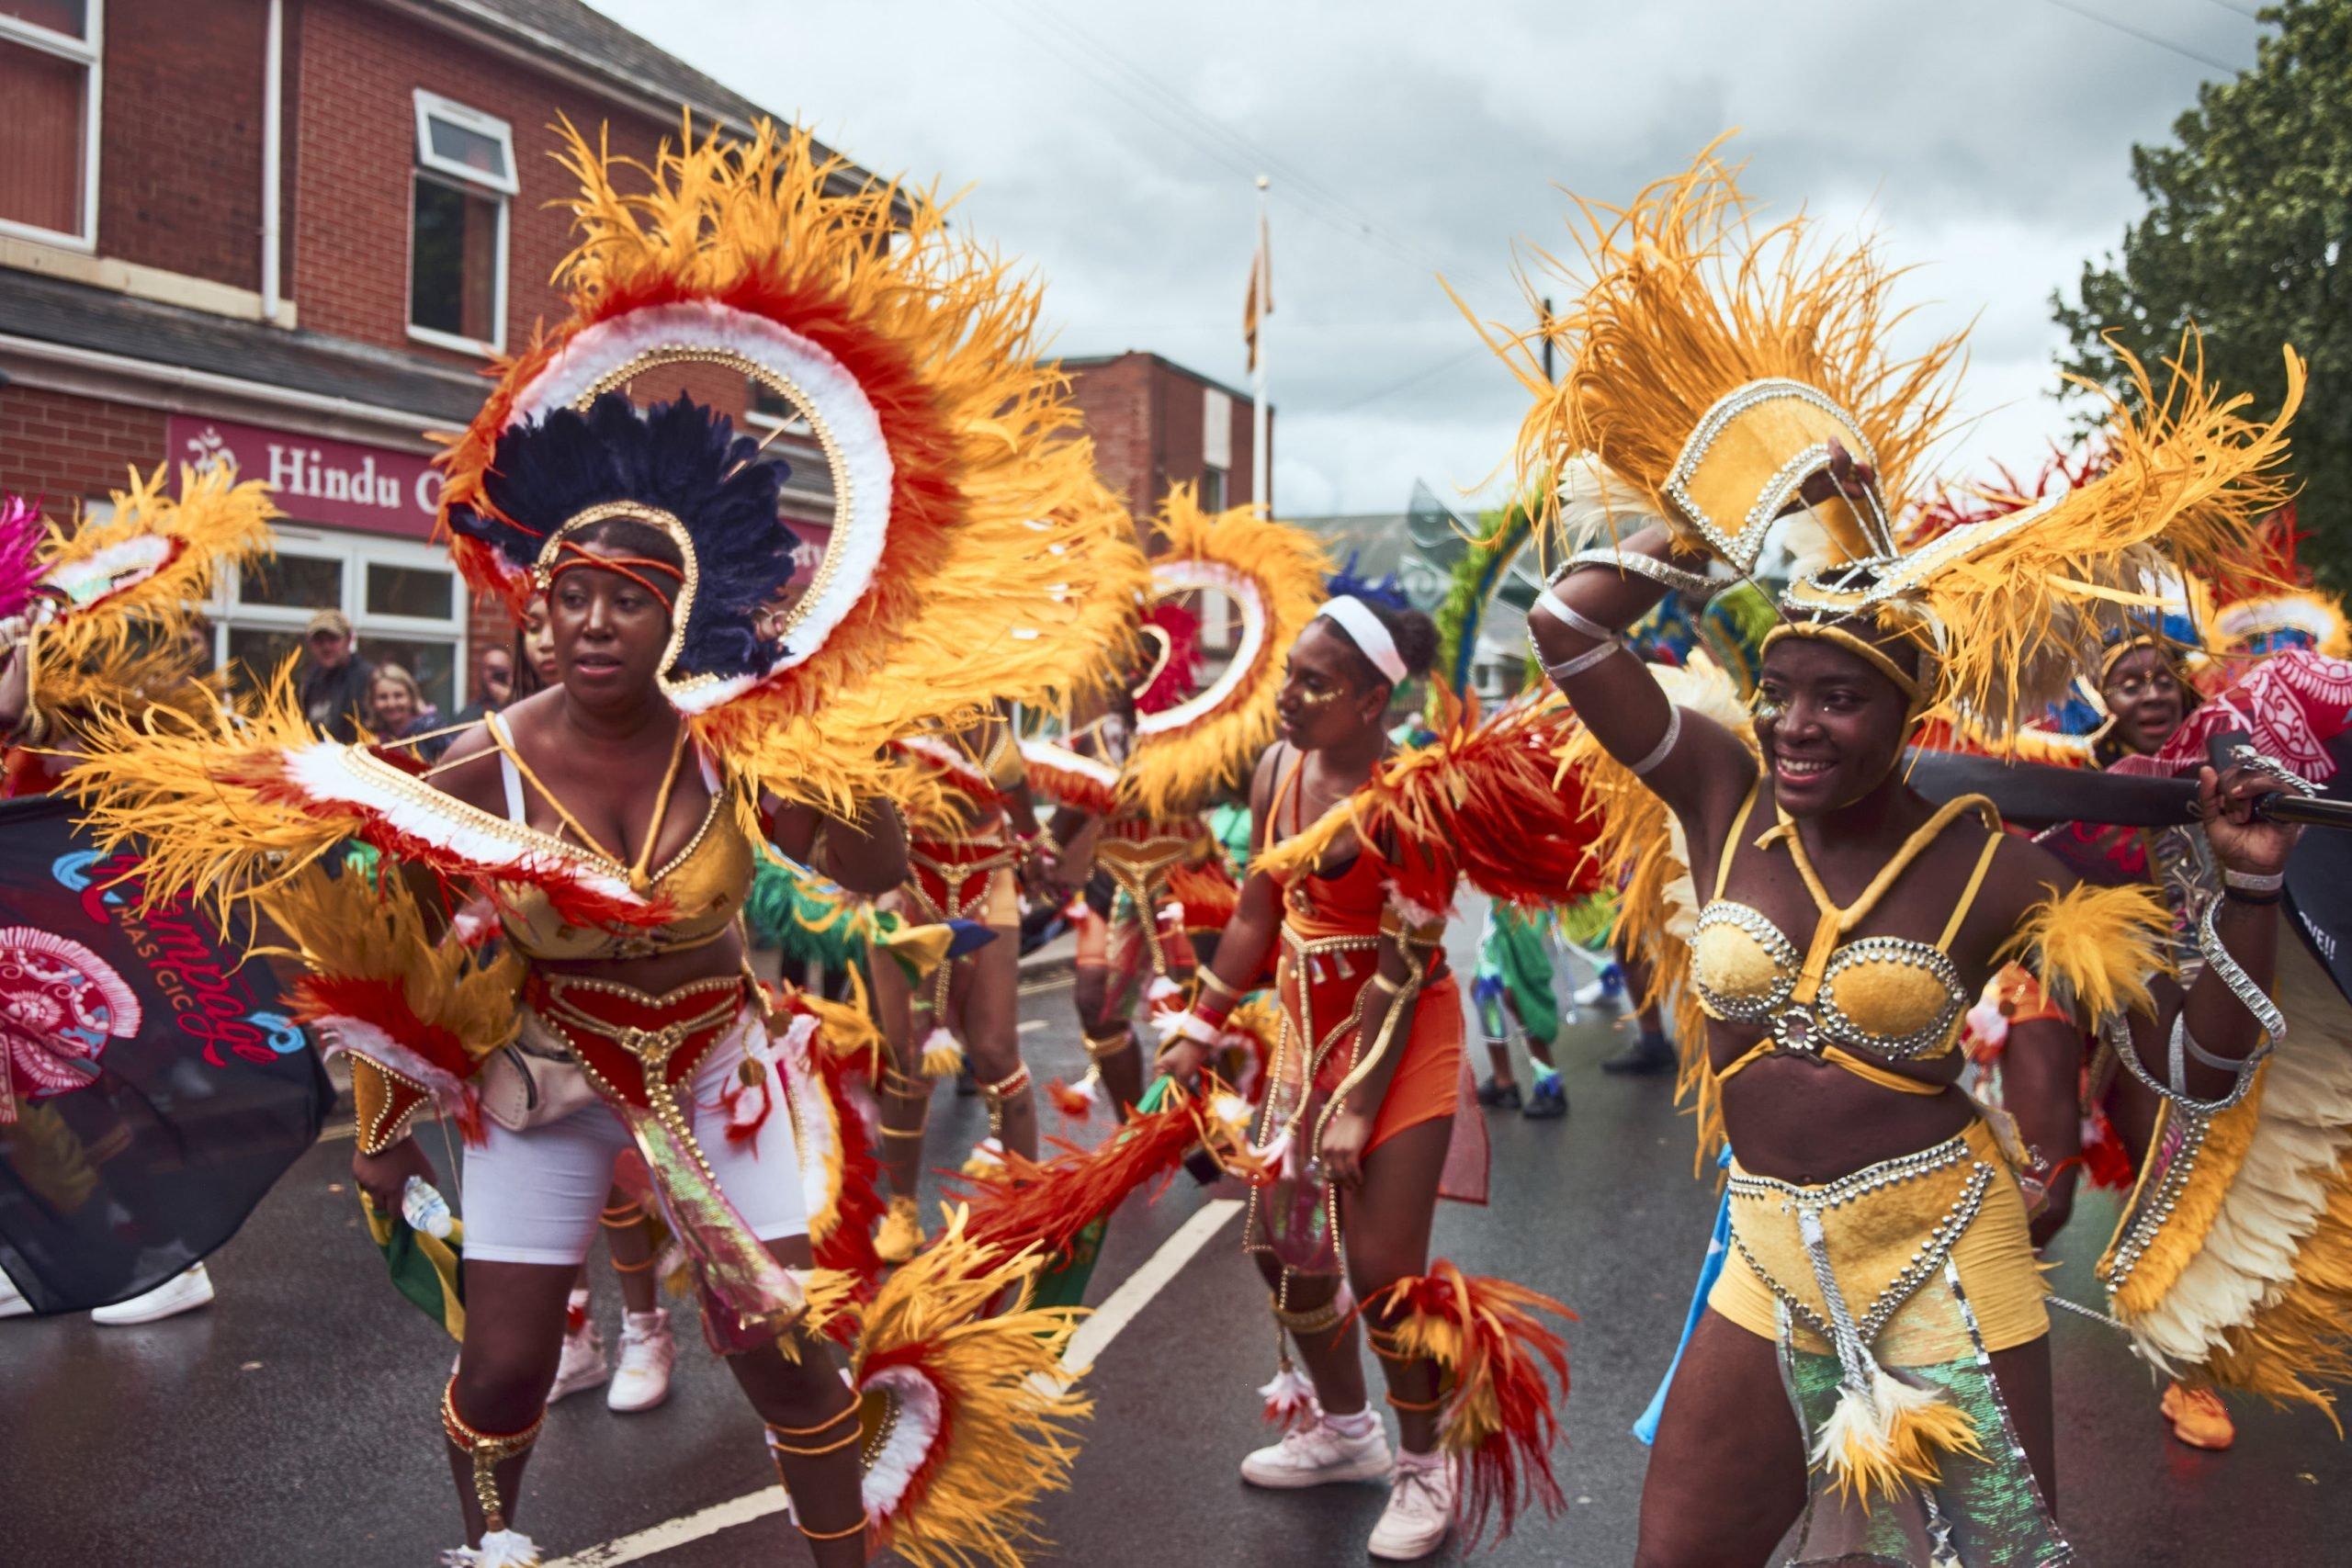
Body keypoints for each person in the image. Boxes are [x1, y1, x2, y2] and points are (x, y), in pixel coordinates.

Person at [69, 118, 1137, 1565]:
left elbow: (879, 872)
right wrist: (387, 1140)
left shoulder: (733, 750)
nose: (588, 622)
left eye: (625, 599)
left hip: (723, 1080)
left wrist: (855, 746)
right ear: (535, 610)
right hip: (546, 1088)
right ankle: (494, 1546)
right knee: (507, 1364)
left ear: (677, 622)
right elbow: (392, 967)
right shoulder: (466, 767)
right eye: (566, 595)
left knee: (786, 1359)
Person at [1515, 147, 2312, 1566]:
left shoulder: (1996, 862)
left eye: (1841, 698)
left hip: (1948, 1253)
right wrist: (1713, 516)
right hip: (1768, 1246)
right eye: (1785, 687)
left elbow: (2192, 1064)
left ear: (1905, 717)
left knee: (1993, 1559)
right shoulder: (1721, 790)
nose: (1798, 721)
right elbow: (1570, 629)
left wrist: (2248, 880)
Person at [1156, 594, 1589, 1562]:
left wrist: (1352, 1109)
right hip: (1306, 1033)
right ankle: (1345, 1432)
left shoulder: (1413, 795)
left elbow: (1401, 966)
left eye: (1314, 683)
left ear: (1369, 699)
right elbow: (1256, 916)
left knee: (1383, 1268)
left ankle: (1422, 1466)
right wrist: (1199, 1025)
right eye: (1290, 675)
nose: (1289, 697)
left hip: (1400, 1035)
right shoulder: (1277, 768)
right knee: (1281, 1253)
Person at [298, 608, 374, 741]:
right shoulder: (310, 680)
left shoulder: (368, 678)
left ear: (350, 639)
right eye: (319, 641)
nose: (326, 647)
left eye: (333, 639)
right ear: (310, 644)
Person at [366, 662, 437, 745]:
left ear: (412, 697)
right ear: (372, 702)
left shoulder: (432, 729)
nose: (391, 704)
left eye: (398, 696)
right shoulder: (374, 738)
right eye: (383, 697)